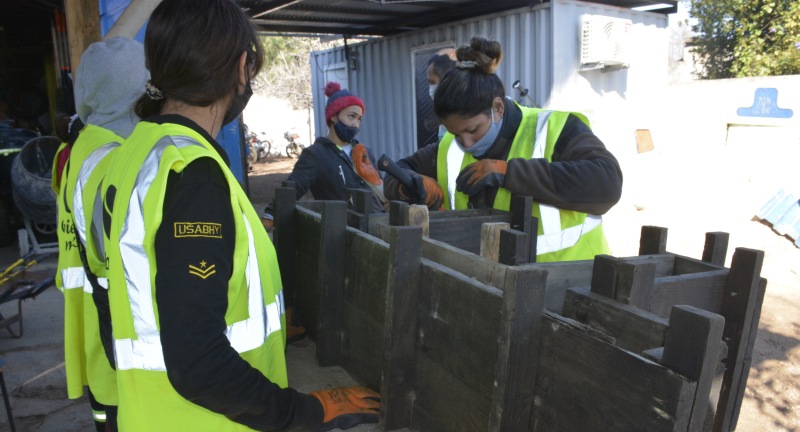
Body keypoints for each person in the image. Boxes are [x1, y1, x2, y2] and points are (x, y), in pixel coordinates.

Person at [100, 0, 380, 430]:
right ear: (242, 67)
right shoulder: (194, 175)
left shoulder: (137, 152)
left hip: (151, 414)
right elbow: (197, 361)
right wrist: (303, 412)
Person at [384, 36, 623, 262]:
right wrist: (412, 184)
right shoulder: (450, 147)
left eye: (473, 130)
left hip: (575, 286)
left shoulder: (556, 128)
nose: (467, 144)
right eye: (457, 134)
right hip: (496, 286)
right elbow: (398, 171)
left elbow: (607, 183)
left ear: (497, 107)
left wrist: (509, 173)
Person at [54, 36, 149, 432]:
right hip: (120, 341)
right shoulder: (115, 159)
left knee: (105, 416)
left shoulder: (80, 147)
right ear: (136, 93)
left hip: (96, 333)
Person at [263, 81, 384, 226]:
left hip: (378, 227)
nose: (356, 124)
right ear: (333, 116)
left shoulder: (364, 153)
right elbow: (292, 188)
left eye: (359, 119)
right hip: (344, 233)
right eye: (351, 116)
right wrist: (270, 214)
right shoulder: (316, 155)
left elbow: (381, 191)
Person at [425, 49, 457, 142]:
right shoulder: (445, 113)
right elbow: (438, 148)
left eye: (432, 82)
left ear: (446, 81)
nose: (430, 89)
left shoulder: (462, 115)